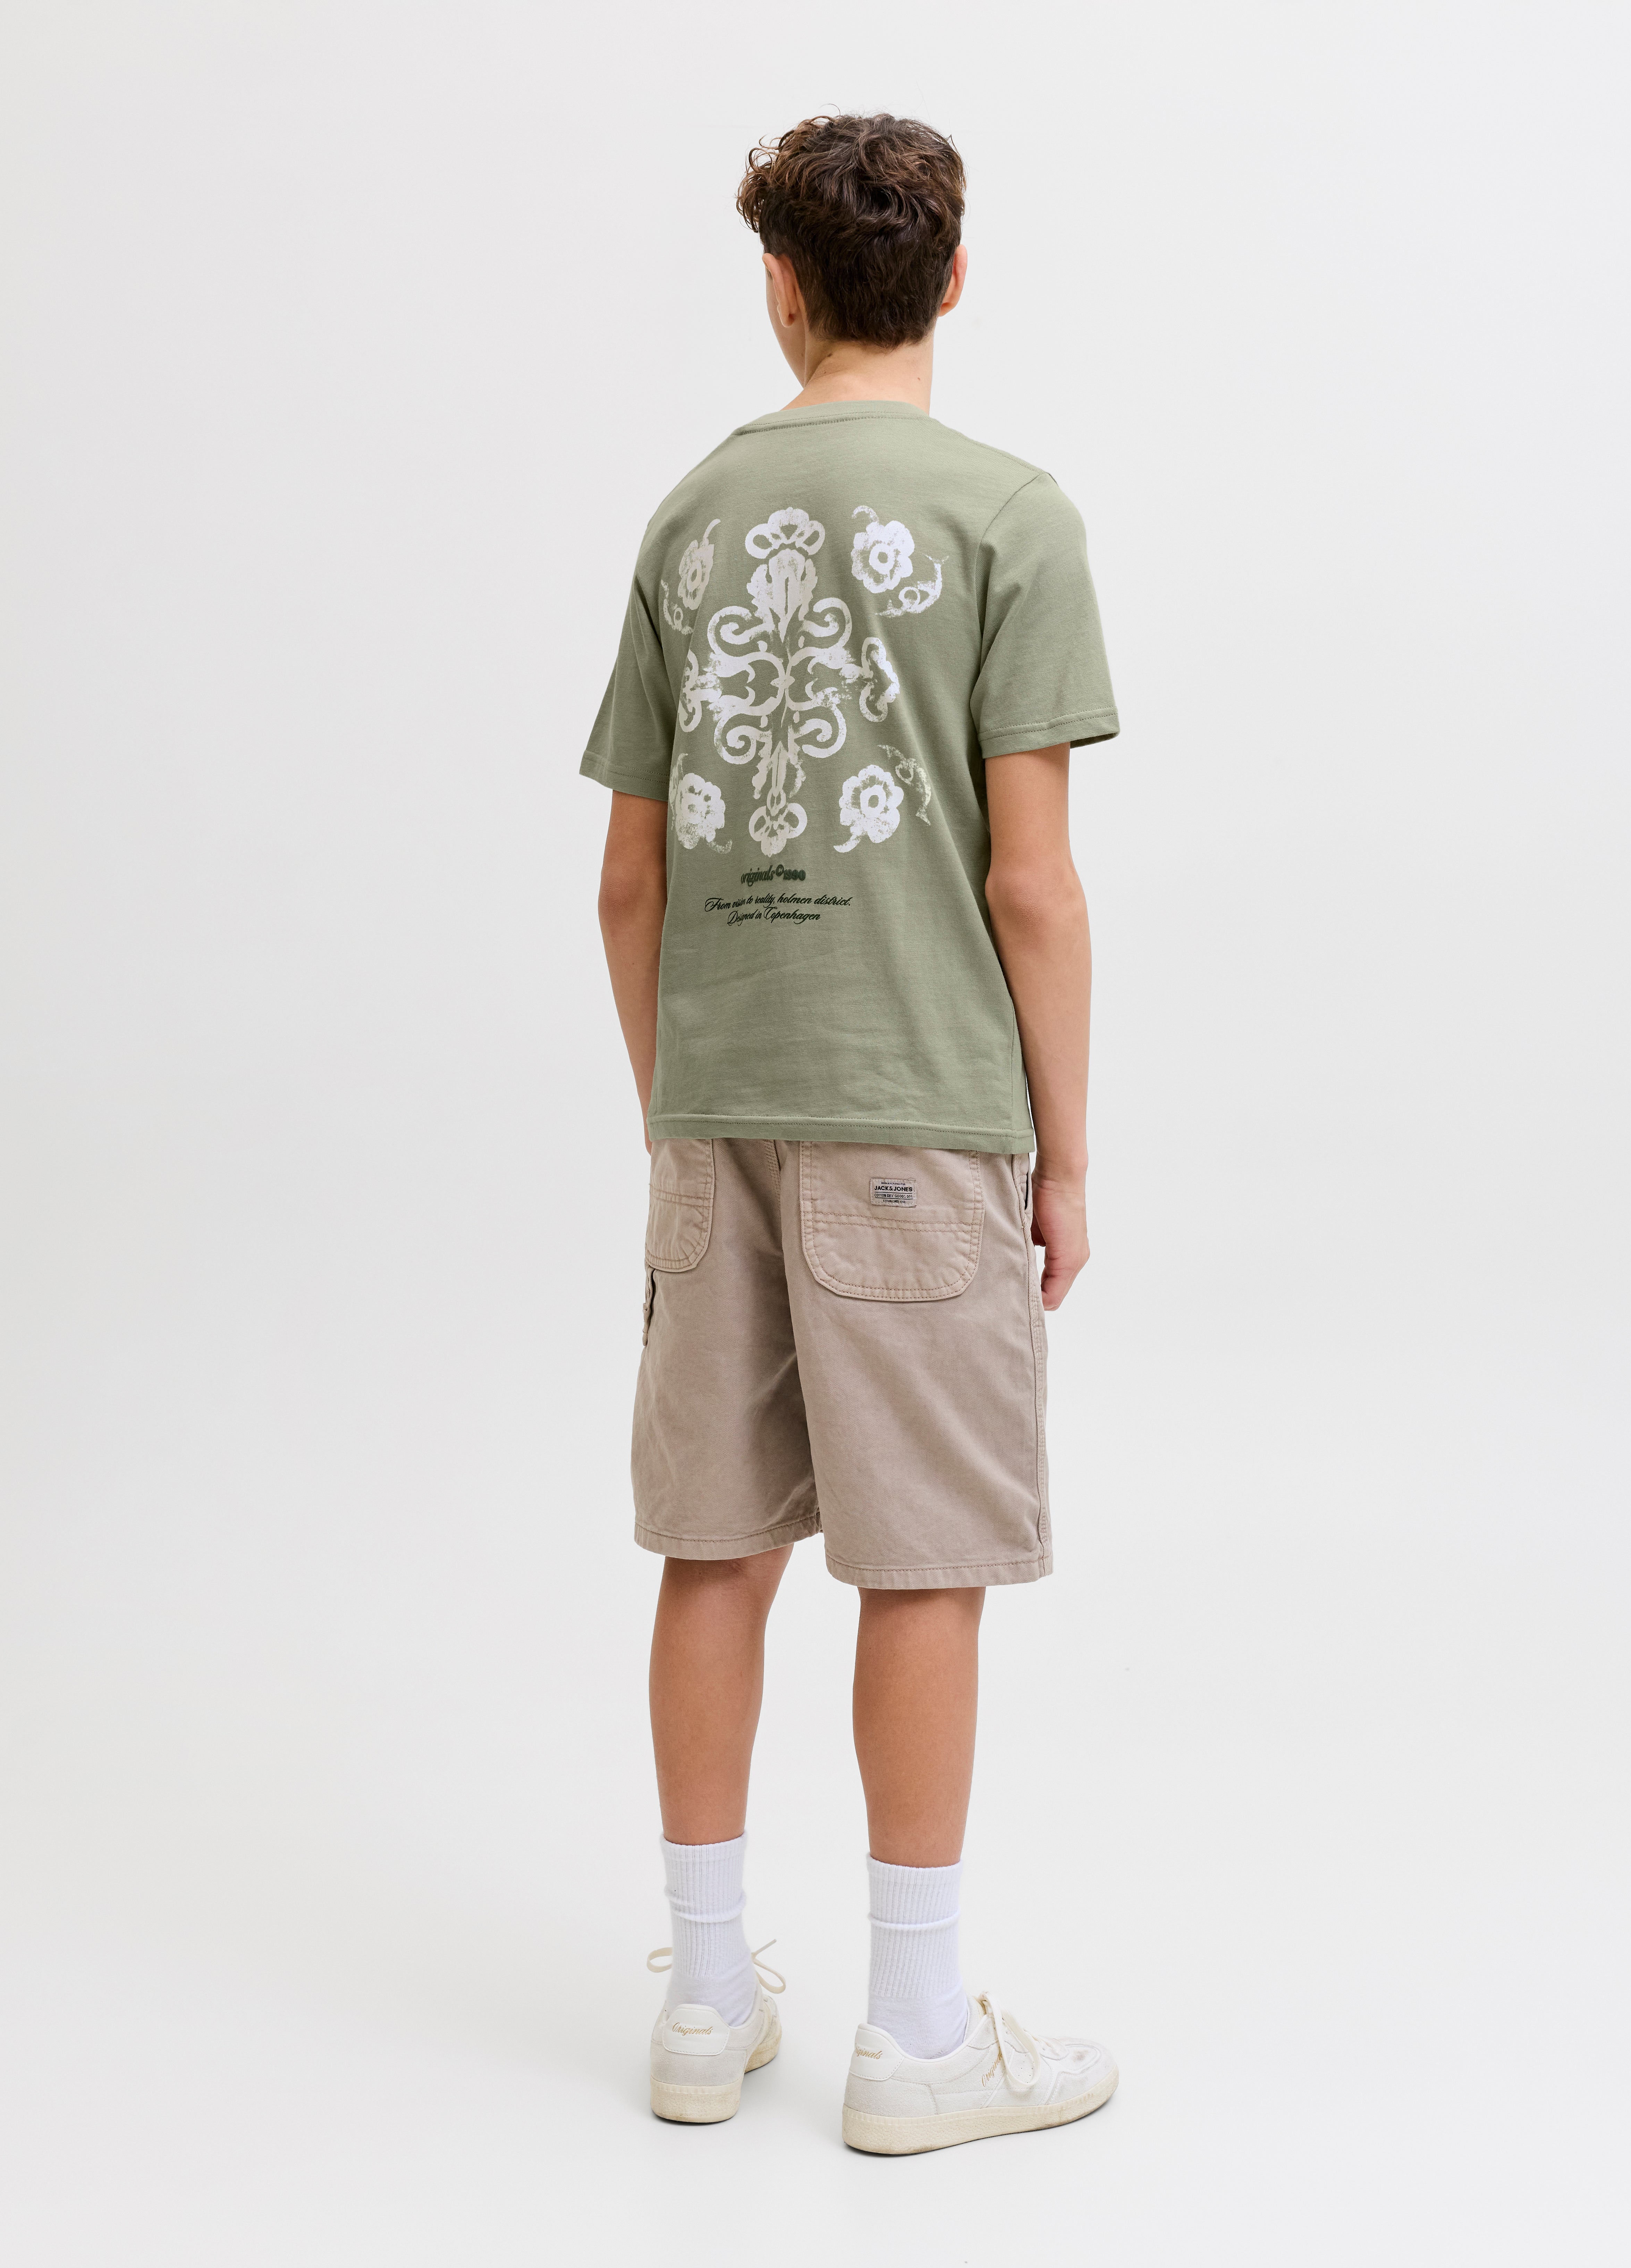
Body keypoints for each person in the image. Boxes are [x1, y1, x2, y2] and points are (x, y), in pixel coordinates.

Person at [582, 112, 1119, 2155]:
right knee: (923, 1565)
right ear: (953, 279)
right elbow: (1033, 885)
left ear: (781, 288)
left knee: (715, 1550)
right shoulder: (1012, 518)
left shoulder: (690, 517)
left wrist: (681, 1107)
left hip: (717, 1112)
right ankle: (914, 2038)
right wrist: (1064, 1153)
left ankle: (705, 2003)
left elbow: (627, 883)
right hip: (920, 1113)